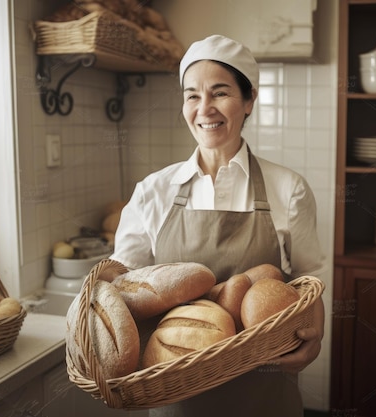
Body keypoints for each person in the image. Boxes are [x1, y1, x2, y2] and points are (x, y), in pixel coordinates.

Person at [110, 34, 326, 417]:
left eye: (220, 93)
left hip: (264, 386)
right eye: (192, 95)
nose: (204, 108)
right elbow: (124, 288)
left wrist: (317, 333)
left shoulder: (288, 189)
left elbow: (311, 276)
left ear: (249, 102)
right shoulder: (154, 191)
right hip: (176, 391)